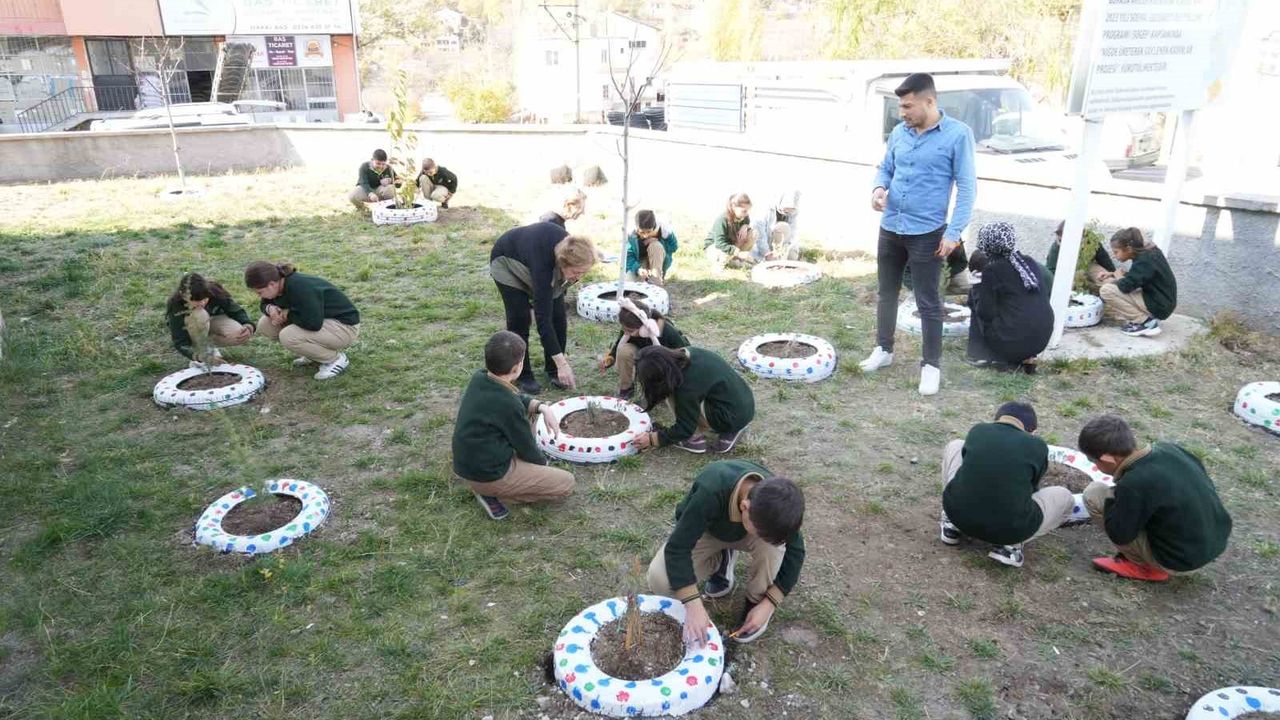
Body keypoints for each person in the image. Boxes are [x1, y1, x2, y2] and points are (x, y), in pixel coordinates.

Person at [859, 72, 977, 396]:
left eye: (908, 106)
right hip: (891, 226)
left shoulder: (957, 135)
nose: (903, 113)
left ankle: (931, 366)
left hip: (927, 232)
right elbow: (885, 167)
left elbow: (967, 187)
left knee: (929, 302)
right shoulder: (899, 132)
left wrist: (953, 233)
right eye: (901, 106)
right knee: (886, 292)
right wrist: (878, 188)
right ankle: (884, 350)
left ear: (930, 101)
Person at [646, 459, 805, 645]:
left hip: (748, 529)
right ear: (745, 507)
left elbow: (796, 552)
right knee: (660, 580)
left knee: (772, 548)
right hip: (708, 530)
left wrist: (769, 604)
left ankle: (754, 603)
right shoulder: (711, 491)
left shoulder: (780, 506)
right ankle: (722, 558)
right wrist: (693, 604)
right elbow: (677, 547)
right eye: (762, 533)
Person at [1078, 415, 1232, 582]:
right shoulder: (1170, 449)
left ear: (1107, 458)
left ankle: (1143, 565)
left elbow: (1120, 534)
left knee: (1094, 493)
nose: (1094, 465)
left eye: (1092, 460)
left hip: (1179, 561)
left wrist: (1115, 501)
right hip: (1214, 542)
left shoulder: (1133, 483)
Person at [452, 330, 575, 521]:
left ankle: (497, 484)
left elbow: (516, 397)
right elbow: (526, 447)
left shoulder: (481, 377)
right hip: (490, 474)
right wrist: (544, 467)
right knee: (565, 483)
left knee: (532, 412)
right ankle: (494, 493)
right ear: (518, 367)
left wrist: (542, 407)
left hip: (471, 463)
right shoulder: (508, 405)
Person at [939, 402, 1073, 568]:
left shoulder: (978, 431)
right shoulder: (1037, 446)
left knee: (956, 446)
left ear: (997, 420)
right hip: (1010, 530)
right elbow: (1032, 488)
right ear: (1032, 431)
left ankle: (951, 526)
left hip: (957, 513)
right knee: (1064, 497)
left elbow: (966, 465)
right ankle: (1011, 546)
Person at [490, 214, 597, 394]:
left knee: (558, 317)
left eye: (583, 273)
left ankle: (553, 370)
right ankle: (523, 374)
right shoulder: (544, 268)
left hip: (534, 258)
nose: (579, 277)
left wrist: (558, 365)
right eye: (576, 272)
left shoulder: (573, 248)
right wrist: (564, 364)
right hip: (507, 262)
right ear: (563, 264)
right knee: (520, 318)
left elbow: (553, 317)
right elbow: (542, 321)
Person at [244, 262, 361, 381]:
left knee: (288, 336)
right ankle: (313, 354)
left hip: (344, 327)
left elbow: (313, 323)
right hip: (321, 321)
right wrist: (270, 309)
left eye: (259, 292)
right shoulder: (278, 285)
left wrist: (288, 314)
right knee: (265, 324)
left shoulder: (300, 287)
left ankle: (334, 360)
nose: (259, 296)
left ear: (272, 284)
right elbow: (264, 303)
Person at [631, 346, 755, 454]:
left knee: (672, 394)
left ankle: (694, 439)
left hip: (732, 416)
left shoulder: (685, 387)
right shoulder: (688, 353)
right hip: (744, 402)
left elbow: (685, 428)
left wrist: (653, 439)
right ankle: (730, 428)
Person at [966, 222, 1054, 372]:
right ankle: (1028, 357)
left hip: (1014, 341)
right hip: (1042, 338)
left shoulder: (992, 270)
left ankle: (980, 355)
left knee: (974, 297)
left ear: (987, 244)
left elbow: (985, 313)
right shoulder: (1028, 263)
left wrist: (977, 288)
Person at [598, 298, 690, 400]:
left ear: (644, 327)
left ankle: (663, 387)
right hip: (644, 356)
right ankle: (626, 388)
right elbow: (617, 348)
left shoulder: (666, 330)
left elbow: (686, 350)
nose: (626, 332)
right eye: (623, 329)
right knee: (624, 351)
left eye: (629, 330)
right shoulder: (628, 330)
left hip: (664, 359)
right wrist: (609, 359)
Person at [1098, 227, 1177, 337]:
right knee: (1113, 284)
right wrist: (1113, 274)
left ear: (1128, 248)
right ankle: (1146, 320)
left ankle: (1145, 322)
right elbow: (1140, 276)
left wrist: (1119, 277)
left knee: (1106, 290)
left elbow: (1125, 287)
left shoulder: (1144, 260)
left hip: (1159, 305)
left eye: (1116, 252)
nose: (1114, 256)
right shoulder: (1148, 253)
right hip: (1163, 301)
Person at [165, 273, 254, 366]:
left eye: (205, 299)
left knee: (239, 334)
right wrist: (197, 355)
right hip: (190, 328)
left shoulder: (213, 290)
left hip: (213, 320)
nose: (203, 303)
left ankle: (209, 346)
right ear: (183, 295)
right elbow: (180, 342)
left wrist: (248, 325)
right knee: (200, 314)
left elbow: (234, 309)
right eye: (197, 301)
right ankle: (201, 351)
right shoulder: (175, 305)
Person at [1046, 220, 1115, 292]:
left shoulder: (1090, 239)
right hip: (1066, 271)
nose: (1062, 243)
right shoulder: (1056, 247)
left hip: (1088, 266)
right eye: (1060, 240)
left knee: (1110, 283)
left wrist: (1113, 273)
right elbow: (1051, 270)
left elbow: (1103, 259)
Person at [703, 193, 757, 269]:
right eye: (744, 211)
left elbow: (744, 234)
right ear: (733, 207)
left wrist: (746, 226)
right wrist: (738, 253)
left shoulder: (745, 218)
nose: (747, 214)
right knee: (723, 254)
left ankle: (734, 259)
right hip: (715, 247)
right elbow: (720, 243)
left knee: (753, 233)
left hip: (732, 245)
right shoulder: (722, 219)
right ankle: (722, 264)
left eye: (748, 211)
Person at [625, 210, 679, 285]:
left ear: (653, 227)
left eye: (649, 232)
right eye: (642, 232)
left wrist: (658, 240)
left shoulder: (663, 229)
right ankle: (644, 279)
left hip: (657, 262)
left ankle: (656, 283)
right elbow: (628, 256)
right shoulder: (630, 234)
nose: (645, 235)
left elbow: (674, 246)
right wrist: (638, 269)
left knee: (656, 246)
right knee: (630, 285)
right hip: (639, 263)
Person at [750, 190, 800, 262]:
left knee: (792, 257)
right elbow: (759, 234)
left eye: (791, 209)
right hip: (764, 242)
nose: (788, 212)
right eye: (786, 208)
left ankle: (779, 254)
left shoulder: (794, 213)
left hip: (781, 243)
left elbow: (793, 233)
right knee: (782, 226)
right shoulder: (765, 210)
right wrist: (766, 252)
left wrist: (787, 249)